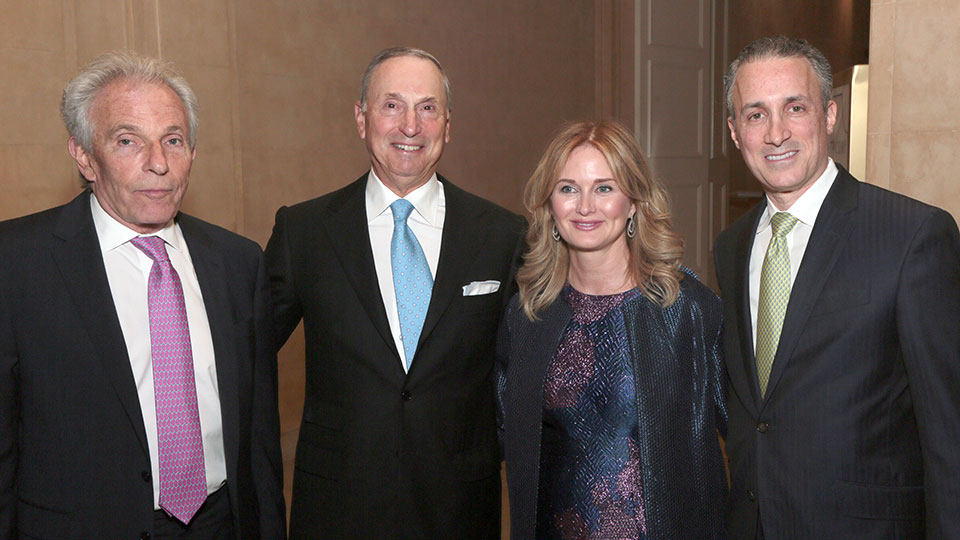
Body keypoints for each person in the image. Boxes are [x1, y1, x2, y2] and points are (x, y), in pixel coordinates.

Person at [0, 52, 285, 540]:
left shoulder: (238, 262)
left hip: (221, 524)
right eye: (127, 141)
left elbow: (259, 438)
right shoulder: (16, 262)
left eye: (173, 140)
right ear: (84, 156)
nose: (158, 163)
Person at [265, 47, 526, 539]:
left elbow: (529, 370)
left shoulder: (502, 235)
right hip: (339, 507)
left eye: (428, 108)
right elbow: (244, 354)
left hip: (459, 508)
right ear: (361, 119)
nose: (410, 126)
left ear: (447, 125)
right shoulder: (305, 232)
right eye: (391, 105)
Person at [715, 35, 960, 539]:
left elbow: (949, 432)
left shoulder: (911, 236)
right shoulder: (731, 246)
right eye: (756, 114)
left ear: (829, 116)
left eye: (795, 108)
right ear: (736, 132)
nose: (777, 133)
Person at [495, 120, 727, 540]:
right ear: (550, 205)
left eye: (604, 188)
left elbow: (746, 434)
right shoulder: (528, 315)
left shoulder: (686, 309)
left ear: (633, 202)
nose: (585, 206)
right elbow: (503, 430)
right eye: (568, 188)